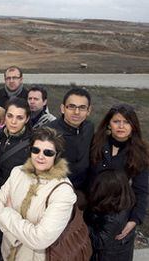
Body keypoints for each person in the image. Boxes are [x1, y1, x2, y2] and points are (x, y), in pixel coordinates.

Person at [0, 127, 77, 260]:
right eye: (36, 150)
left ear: (57, 155)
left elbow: (40, 239)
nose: (40, 156)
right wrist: (23, 234)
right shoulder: (17, 172)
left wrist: (8, 213)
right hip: (7, 252)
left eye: (48, 152)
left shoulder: (63, 191)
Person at [89, 103, 149, 251]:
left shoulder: (140, 152)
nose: (121, 126)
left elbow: (142, 190)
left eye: (126, 122)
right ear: (109, 124)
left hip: (119, 217)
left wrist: (134, 219)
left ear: (133, 125)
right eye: (116, 121)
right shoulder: (96, 143)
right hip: (92, 213)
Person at [0, 97, 32, 261]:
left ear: (26, 119)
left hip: (14, 203)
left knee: (9, 243)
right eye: (10, 116)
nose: (13, 121)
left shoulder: (31, 144)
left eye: (19, 118)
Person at [46, 87, 94, 193]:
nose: (76, 112)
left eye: (82, 108)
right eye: (71, 107)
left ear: (89, 110)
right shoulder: (48, 132)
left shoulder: (89, 127)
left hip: (83, 191)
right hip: (55, 191)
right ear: (63, 108)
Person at [85, 170, 136, 261]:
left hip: (107, 256)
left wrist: (83, 226)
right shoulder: (122, 201)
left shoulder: (113, 219)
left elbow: (99, 242)